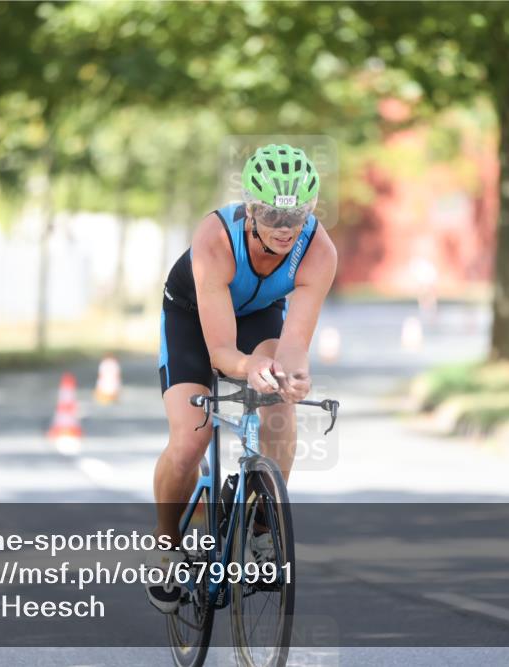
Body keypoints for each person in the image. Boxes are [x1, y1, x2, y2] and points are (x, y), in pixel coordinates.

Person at [145, 144, 337, 612]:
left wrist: (293, 374)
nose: (285, 228)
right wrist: (246, 367)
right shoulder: (216, 238)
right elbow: (222, 354)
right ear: (250, 209)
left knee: (281, 397)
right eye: (271, 214)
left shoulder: (318, 250)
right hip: (194, 318)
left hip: (259, 315)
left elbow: (294, 343)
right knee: (192, 438)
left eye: (298, 215)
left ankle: (265, 531)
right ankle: (167, 547)